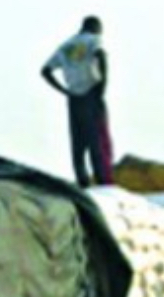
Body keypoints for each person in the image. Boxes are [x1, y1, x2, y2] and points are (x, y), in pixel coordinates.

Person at [41, 15, 113, 187]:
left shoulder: (67, 45)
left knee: (78, 145)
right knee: (99, 143)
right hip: (92, 94)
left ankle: (83, 184)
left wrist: (64, 91)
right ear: (96, 27)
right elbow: (101, 56)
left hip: (74, 98)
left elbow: (45, 71)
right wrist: (103, 86)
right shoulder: (94, 40)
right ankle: (104, 185)